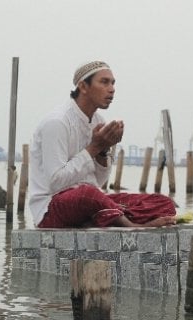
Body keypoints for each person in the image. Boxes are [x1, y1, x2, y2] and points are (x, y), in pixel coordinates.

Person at [28, 60, 177, 228]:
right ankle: (131, 226)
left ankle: (102, 217)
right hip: (52, 209)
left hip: (90, 204)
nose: (112, 89)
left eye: (113, 83)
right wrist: (94, 148)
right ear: (83, 87)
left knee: (163, 203)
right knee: (88, 195)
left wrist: (103, 150)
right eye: (104, 82)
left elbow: (98, 182)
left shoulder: (99, 121)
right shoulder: (57, 122)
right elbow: (55, 183)